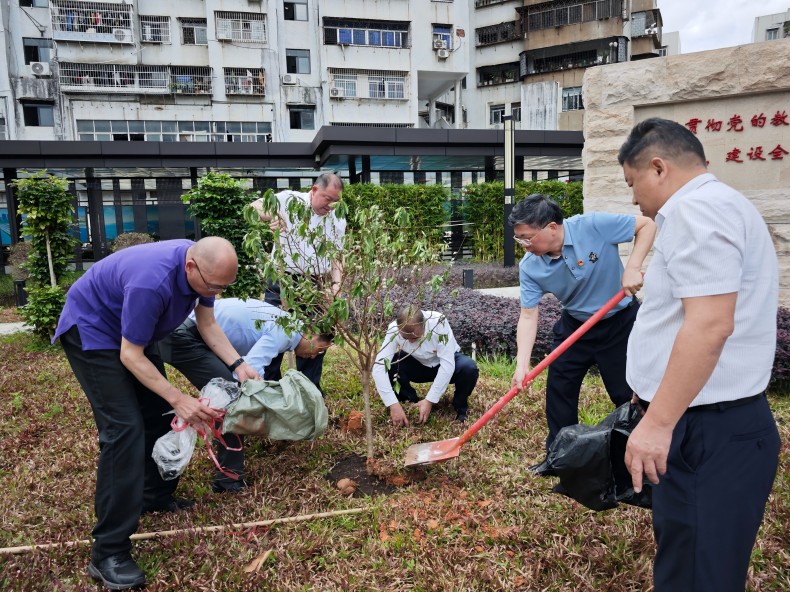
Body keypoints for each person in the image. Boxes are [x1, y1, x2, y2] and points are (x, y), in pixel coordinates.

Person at [619, 117, 780, 591]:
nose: (633, 198)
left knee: (695, 575)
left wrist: (658, 422)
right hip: (711, 423)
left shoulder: (696, 211)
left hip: (708, 429)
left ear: (658, 167)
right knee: (693, 561)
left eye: (632, 183)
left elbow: (709, 325)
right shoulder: (720, 205)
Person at [53, 237, 260, 591]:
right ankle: (108, 553)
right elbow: (129, 356)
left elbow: (208, 324)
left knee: (159, 416)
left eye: (225, 287)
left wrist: (238, 365)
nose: (217, 292)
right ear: (191, 267)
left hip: (134, 331)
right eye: (214, 286)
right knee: (124, 431)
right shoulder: (152, 281)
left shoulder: (205, 268)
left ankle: (154, 496)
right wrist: (179, 397)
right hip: (93, 329)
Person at [508, 194, 656, 471]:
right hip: (575, 325)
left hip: (620, 321)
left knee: (627, 392)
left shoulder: (593, 225)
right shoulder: (530, 266)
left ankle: (638, 455)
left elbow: (646, 225)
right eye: (519, 239)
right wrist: (521, 364)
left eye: (527, 237)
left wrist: (633, 267)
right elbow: (528, 315)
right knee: (559, 391)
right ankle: (560, 456)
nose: (524, 245)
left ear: (551, 228)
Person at [160, 297, 333, 493]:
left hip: (188, 331)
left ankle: (229, 473)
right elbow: (246, 372)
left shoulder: (287, 323)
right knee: (232, 399)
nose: (314, 356)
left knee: (229, 394)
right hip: (184, 335)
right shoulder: (285, 332)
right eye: (319, 349)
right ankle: (228, 481)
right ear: (311, 333)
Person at [251, 172, 345, 393]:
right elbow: (254, 207)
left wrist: (335, 286)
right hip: (282, 278)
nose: (330, 206)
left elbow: (337, 255)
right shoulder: (289, 200)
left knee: (314, 338)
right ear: (313, 191)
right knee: (273, 332)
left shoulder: (337, 217)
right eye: (327, 199)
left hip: (316, 283)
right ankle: (269, 388)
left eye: (335, 201)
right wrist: (270, 216)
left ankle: (308, 390)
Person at [372, 305, 478, 427]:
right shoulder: (393, 330)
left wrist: (430, 400)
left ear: (424, 324)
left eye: (415, 337)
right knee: (392, 364)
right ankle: (408, 401)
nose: (411, 341)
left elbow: (447, 364)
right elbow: (379, 367)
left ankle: (460, 406)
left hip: (444, 362)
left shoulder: (438, 322)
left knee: (469, 368)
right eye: (405, 337)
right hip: (418, 364)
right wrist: (392, 404)